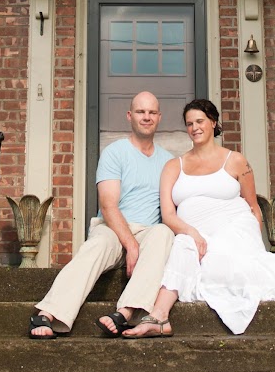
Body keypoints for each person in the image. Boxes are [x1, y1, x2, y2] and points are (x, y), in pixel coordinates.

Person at [124, 98, 275, 338]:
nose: (195, 128)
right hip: (196, 234)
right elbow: (168, 215)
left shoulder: (236, 160)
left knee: (223, 266)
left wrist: (255, 247)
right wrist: (192, 232)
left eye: (200, 121)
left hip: (235, 228)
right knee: (182, 244)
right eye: (189, 124)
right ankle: (159, 316)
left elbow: (253, 207)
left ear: (213, 122)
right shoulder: (173, 166)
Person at [28, 90, 175, 338]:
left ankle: (124, 313)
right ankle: (48, 313)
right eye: (140, 111)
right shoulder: (114, 152)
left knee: (163, 232)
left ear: (159, 117)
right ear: (129, 115)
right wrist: (131, 245)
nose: (146, 117)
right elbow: (108, 206)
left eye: (152, 112)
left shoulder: (168, 162)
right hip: (113, 227)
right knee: (97, 245)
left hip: (149, 232)